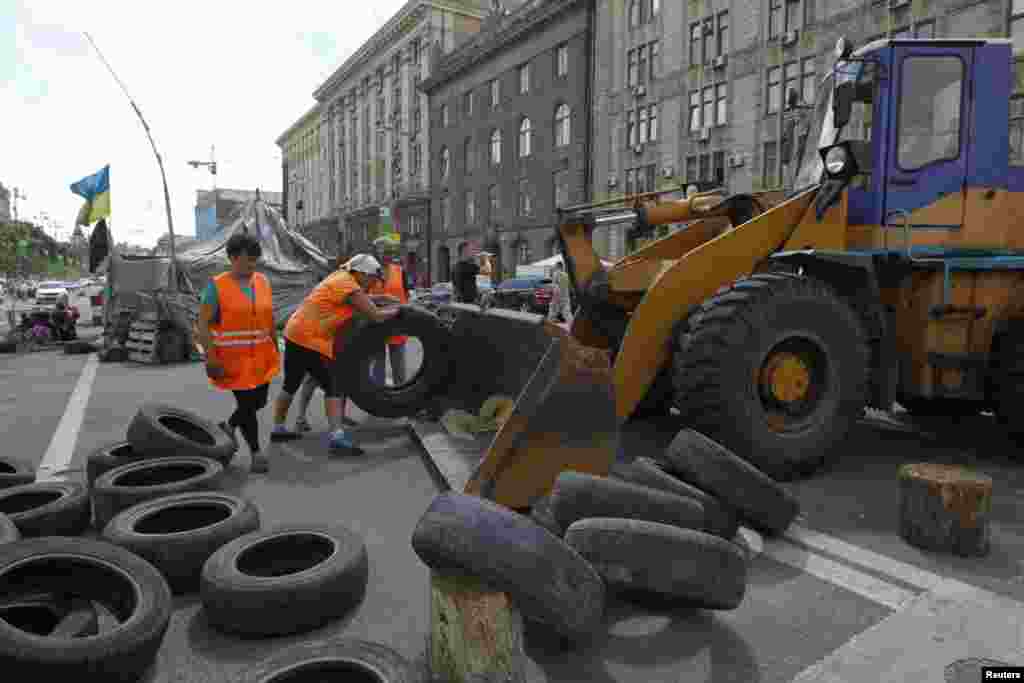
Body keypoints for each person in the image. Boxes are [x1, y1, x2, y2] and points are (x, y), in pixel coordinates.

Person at [270, 253, 400, 456]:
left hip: (295, 332)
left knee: (291, 383)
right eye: (372, 279)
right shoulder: (347, 284)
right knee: (334, 386)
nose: (373, 284)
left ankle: (278, 428)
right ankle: (337, 439)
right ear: (362, 274)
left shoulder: (341, 278)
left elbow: (359, 300)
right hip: (310, 338)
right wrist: (400, 312)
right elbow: (374, 315)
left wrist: (382, 298)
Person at [196, 232, 281, 473]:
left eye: (255, 259)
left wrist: (275, 344)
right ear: (232, 258)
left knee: (258, 402)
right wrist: (210, 357)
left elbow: (268, 316)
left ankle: (229, 426)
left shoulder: (263, 281)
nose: (252, 264)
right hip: (233, 360)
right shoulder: (217, 286)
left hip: (262, 356)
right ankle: (256, 452)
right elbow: (202, 324)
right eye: (247, 260)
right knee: (246, 404)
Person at [369, 238, 409, 387]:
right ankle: (377, 400)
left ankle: (402, 398)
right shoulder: (370, 272)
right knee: (377, 368)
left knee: (399, 369)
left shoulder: (400, 271)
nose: (389, 255)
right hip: (376, 323)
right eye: (386, 252)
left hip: (397, 324)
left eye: (391, 252)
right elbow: (362, 296)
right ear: (378, 252)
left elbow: (407, 296)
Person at [547, 261, 573, 325]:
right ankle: (573, 325)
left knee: (552, 313)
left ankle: (549, 326)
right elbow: (568, 286)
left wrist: (554, 295)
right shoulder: (566, 275)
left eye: (555, 266)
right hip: (565, 297)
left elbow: (555, 286)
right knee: (567, 313)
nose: (555, 267)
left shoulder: (556, 274)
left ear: (558, 266)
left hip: (557, 297)